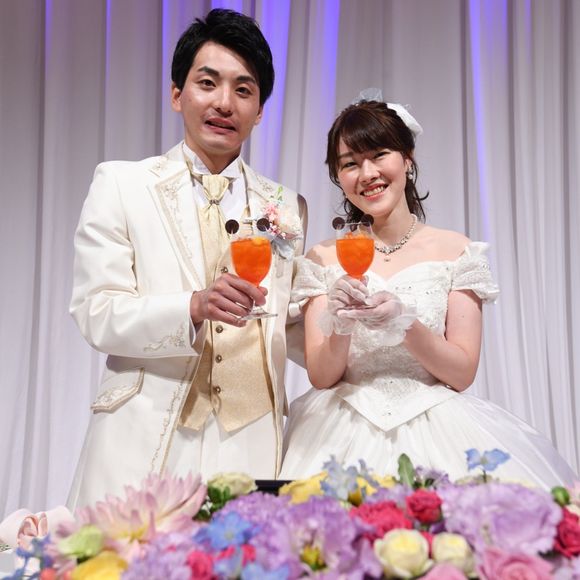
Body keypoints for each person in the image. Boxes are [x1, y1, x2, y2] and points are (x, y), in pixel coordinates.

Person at [68, 8, 307, 510]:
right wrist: (192, 307)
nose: (224, 102)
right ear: (177, 94)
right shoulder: (122, 184)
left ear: (260, 110)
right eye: (207, 83)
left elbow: (288, 325)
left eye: (243, 89)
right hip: (145, 436)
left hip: (250, 444)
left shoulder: (286, 207)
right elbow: (97, 312)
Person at [280, 98, 577, 489]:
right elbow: (322, 376)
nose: (367, 174)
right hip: (340, 427)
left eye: (379, 155)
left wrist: (404, 324)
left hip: (438, 428)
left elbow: (461, 373)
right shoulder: (322, 257)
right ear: (338, 176)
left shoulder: (456, 250)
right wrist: (341, 323)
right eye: (350, 163)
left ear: (407, 158)